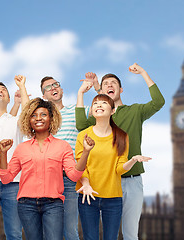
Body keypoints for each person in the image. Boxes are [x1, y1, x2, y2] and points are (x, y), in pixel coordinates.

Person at [76, 63, 165, 240]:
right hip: (103, 183)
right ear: (100, 91)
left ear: (121, 90)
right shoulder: (99, 116)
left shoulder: (134, 111)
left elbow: (158, 102)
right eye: (105, 83)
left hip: (131, 180)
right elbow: (80, 125)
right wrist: (85, 93)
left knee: (130, 232)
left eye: (113, 83)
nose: (110, 85)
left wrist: (143, 73)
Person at [0, 98, 93, 240]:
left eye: (43, 114)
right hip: (26, 205)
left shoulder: (63, 146)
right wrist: (3, 153)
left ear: (51, 118)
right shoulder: (22, 148)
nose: (38, 119)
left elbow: (73, 175)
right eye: (34, 115)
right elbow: (6, 178)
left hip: (53, 204)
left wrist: (86, 152)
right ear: (28, 120)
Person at [75, 93, 151, 240]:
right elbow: (80, 166)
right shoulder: (83, 135)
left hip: (113, 197)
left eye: (104, 103)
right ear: (91, 110)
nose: (99, 105)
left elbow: (119, 168)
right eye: (95, 103)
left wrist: (133, 160)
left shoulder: (122, 136)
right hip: (88, 196)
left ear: (112, 110)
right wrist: (86, 183)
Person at [40, 76, 89, 240]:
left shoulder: (77, 111)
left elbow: (103, 107)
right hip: (47, 176)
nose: (53, 88)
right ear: (44, 96)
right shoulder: (42, 118)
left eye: (56, 85)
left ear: (61, 89)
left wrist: (94, 86)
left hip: (69, 177)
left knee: (70, 229)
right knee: (49, 230)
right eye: (48, 87)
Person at [0, 75, 29, 240]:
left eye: (3, 90)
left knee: (14, 233)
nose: (0, 91)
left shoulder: (16, 121)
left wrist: (22, 86)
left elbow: (29, 111)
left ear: (9, 98)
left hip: (14, 183)